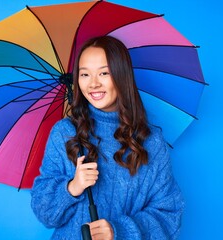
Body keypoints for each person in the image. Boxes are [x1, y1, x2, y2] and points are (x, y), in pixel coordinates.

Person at [31, 36, 184, 240]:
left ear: (121, 75)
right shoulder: (64, 132)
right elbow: (45, 213)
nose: (93, 84)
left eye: (104, 73)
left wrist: (118, 231)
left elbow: (169, 216)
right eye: (85, 74)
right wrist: (73, 187)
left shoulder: (151, 141)